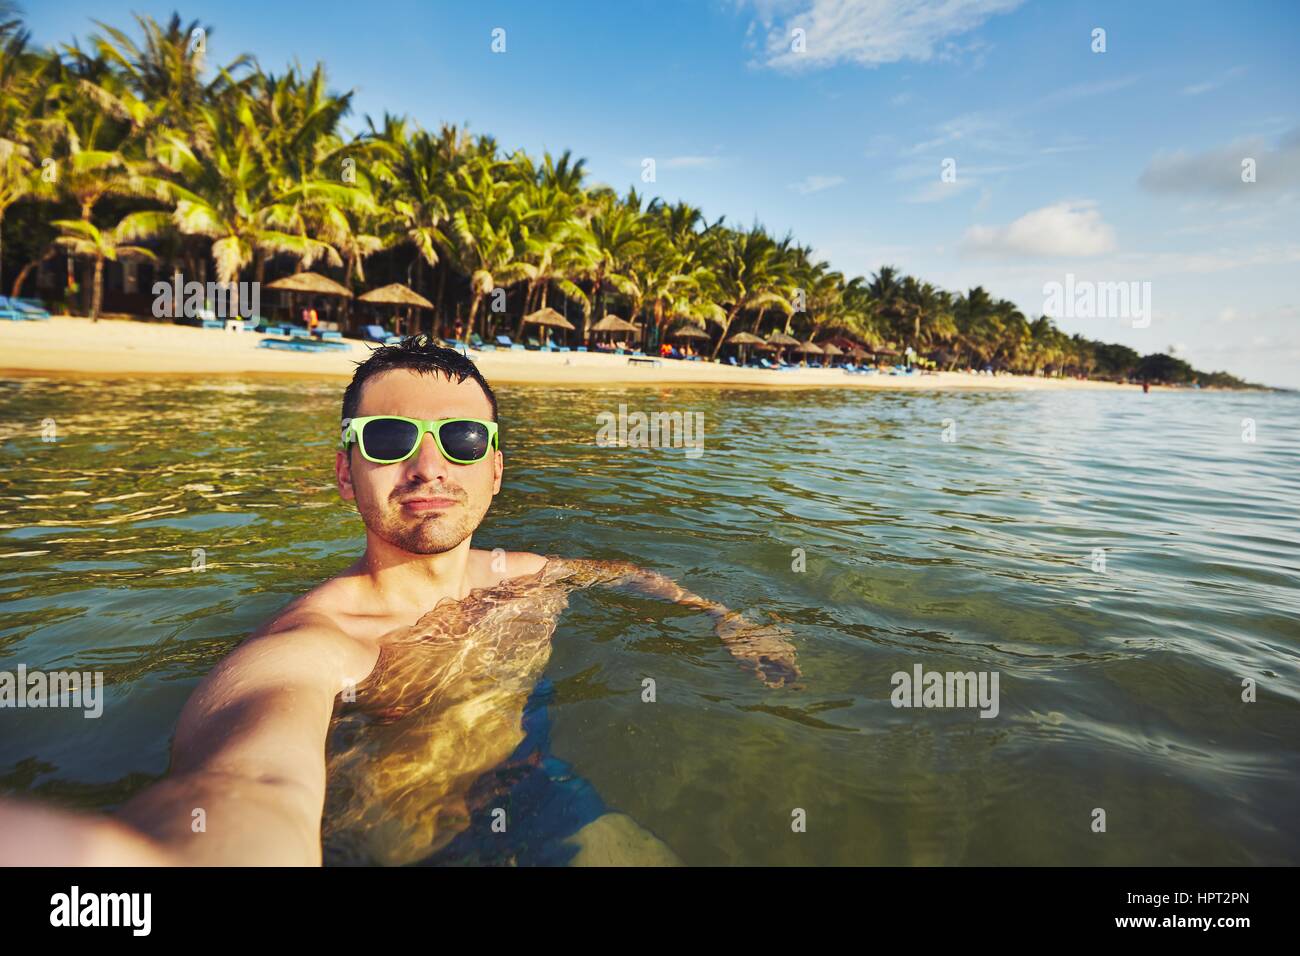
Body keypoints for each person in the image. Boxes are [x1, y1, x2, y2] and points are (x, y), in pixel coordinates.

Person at [0, 337, 799, 867]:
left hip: (534, 788)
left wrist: (729, 619)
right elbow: (251, 785)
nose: (428, 467)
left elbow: (623, 572)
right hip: (406, 844)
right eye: (388, 439)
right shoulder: (314, 646)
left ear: (495, 470)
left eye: (461, 440)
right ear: (345, 473)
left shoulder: (530, 573)